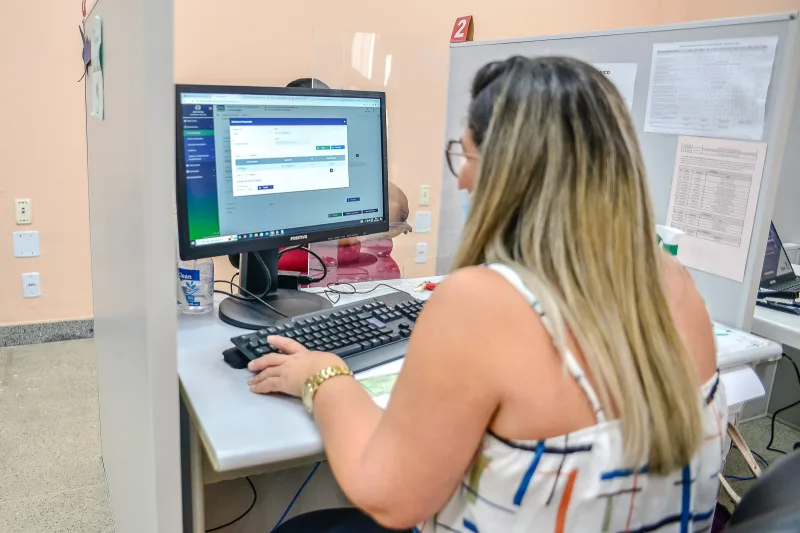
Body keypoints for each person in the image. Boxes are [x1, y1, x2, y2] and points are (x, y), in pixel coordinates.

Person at [247, 57, 727, 532]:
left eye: (467, 156)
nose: (461, 180)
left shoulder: (482, 304)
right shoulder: (673, 280)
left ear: (510, 173)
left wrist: (323, 375)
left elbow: (386, 496)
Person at [230, 77, 412, 284]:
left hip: (363, 284)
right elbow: (241, 257)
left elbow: (397, 208)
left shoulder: (344, 166)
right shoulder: (271, 176)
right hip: (290, 290)